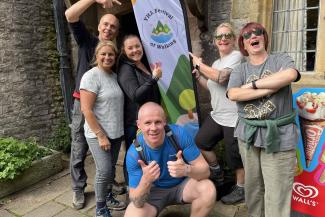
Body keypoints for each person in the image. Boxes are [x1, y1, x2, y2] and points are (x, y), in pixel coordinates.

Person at [227, 22, 301, 217]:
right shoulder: (239, 70)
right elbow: (233, 94)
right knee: (253, 189)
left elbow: (290, 74)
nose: (253, 36)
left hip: (279, 135)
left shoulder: (280, 59)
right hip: (248, 135)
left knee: (277, 193)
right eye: (247, 35)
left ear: (264, 37)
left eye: (257, 32)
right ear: (243, 44)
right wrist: (271, 87)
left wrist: (252, 85)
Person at [65, 0, 125, 210]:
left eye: (113, 27)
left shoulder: (114, 55)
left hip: (105, 106)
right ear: (99, 26)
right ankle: (78, 187)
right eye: (105, 24)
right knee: (79, 145)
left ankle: (107, 182)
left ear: (117, 32)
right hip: (83, 103)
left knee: (108, 143)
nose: (108, 28)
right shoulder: (86, 40)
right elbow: (70, 15)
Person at [124, 102, 216, 217]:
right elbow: (136, 201)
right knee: (132, 214)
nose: (153, 128)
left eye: (157, 122)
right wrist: (146, 180)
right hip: (154, 191)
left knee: (208, 189)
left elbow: (205, 171)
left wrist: (187, 169)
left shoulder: (179, 134)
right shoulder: (134, 153)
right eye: (147, 123)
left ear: (164, 122)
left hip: (183, 185)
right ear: (139, 125)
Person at [189, 23, 245, 204]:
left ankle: (241, 188)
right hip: (217, 115)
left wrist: (198, 63)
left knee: (234, 157)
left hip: (233, 117)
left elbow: (220, 77)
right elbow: (213, 86)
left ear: (234, 39)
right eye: (219, 36)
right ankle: (217, 172)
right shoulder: (216, 63)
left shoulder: (237, 57)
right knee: (201, 142)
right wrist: (199, 78)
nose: (223, 39)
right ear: (214, 41)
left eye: (227, 35)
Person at [80, 41, 124, 217]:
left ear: (115, 56)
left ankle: (107, 196)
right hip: (98, 134)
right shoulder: (91, 76)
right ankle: (100, 208)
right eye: (103, 54)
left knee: (111, 169)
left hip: (115, 132)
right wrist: (100, 135)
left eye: (111, 54)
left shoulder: (114, 76)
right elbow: (86, 110)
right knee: (104, 171)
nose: (107, 57)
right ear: (96, 56)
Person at [117, 35, 161, 183]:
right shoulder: (125, 69)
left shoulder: (142, 64)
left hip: (148, 119)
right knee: (134, 156)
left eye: (137, 46)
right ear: (123, 50)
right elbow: (135, 95)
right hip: (135, 123)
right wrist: (154, 79)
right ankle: (132, 188)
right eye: (130, 48)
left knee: (146, 154)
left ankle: (147, 185)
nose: (135, 50)